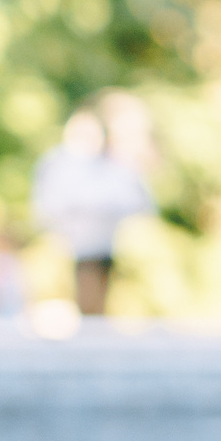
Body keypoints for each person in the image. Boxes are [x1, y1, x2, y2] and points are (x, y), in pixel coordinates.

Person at [31, 110, 153, 317]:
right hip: (75, 239)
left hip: (105, 238)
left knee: (99, 277)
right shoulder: (60, 163)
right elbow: (50, 200)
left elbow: (137, 198)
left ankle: (94, 318)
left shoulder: (113, 164)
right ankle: (88, 317)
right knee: (86, 274)